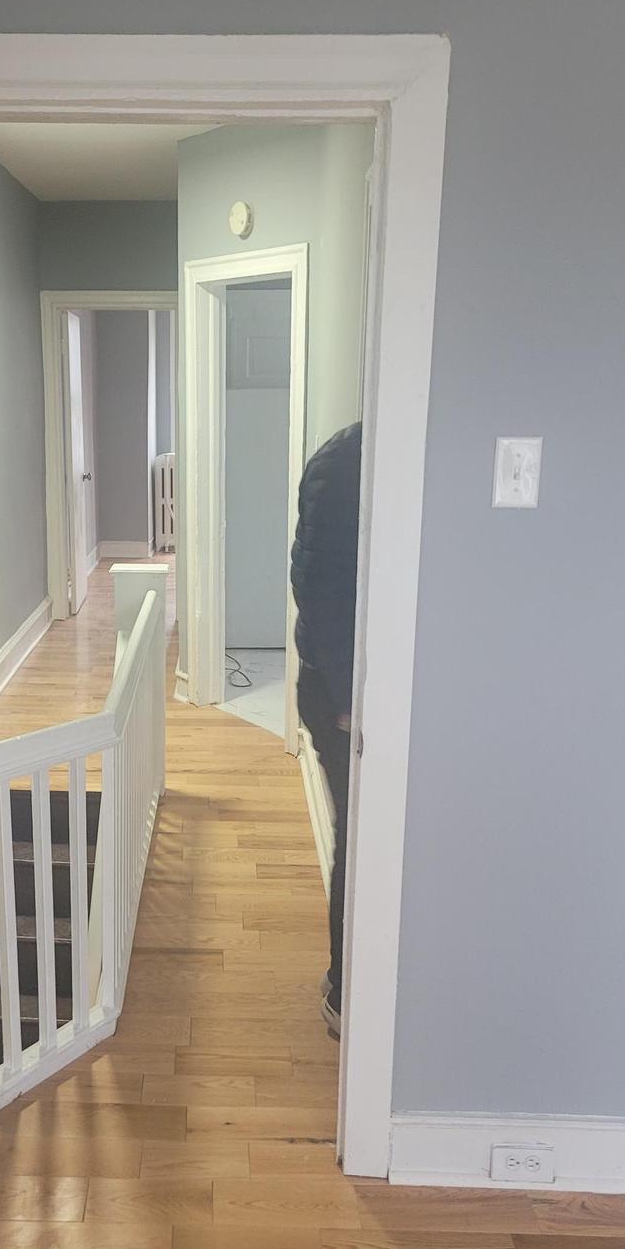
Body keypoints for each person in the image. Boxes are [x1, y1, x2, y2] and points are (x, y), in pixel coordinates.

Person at [290, 421, 362, 1037]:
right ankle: (346, 989)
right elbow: (320, 588)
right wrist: (349, 695)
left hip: (336, 684)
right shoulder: (346, 467)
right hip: (339, 694)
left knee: (360, 842)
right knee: (362, 847)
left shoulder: (341, 457)